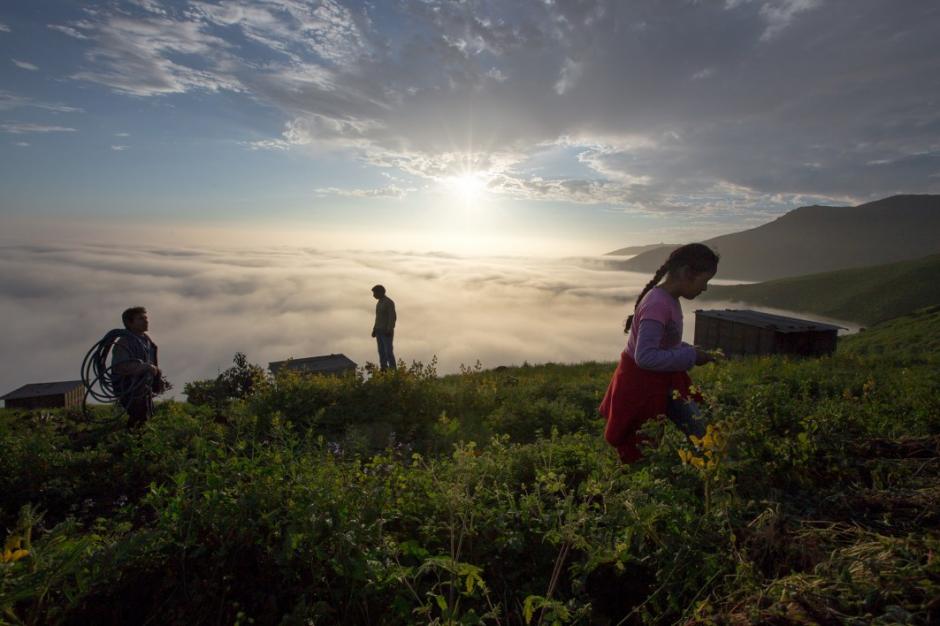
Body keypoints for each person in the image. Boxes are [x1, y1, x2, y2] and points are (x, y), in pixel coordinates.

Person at [599, 243, 720, 464]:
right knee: (644, 448)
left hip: (661, 379)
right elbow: (645, 357)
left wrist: (689, 350)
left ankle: (713, 468)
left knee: (692, 432)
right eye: (704, 281)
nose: (705, 289)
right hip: (643, 384)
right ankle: (717, 474)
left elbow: (663, 342)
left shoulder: (667, 300)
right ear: (686, 273)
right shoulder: (657, 305)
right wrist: (692, 357)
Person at [111, 306, 162, 429]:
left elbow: (152, 365)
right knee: (139, 417)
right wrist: (146, 367)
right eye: (140, 318)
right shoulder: (124, 342)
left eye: (146, 318)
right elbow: (121, 367)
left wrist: (157, 376)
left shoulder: (148, 342)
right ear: (129, 322)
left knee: (147, 415)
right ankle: (131, 444)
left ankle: (136, 443)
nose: (146, 321)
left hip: (144, 387)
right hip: (129, 387)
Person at [371, 285, 397, 371]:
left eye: (375, 293)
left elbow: (392, 317)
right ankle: (384, 369)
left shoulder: (389, 302)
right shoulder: (379, 303)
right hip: (379, 330)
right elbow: (378, 317)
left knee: (388, 352)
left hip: (386, 331)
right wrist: (374, 329)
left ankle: (393, 370)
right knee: (381, 351)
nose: (373, 295)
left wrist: (389, 329)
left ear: (381, 292)